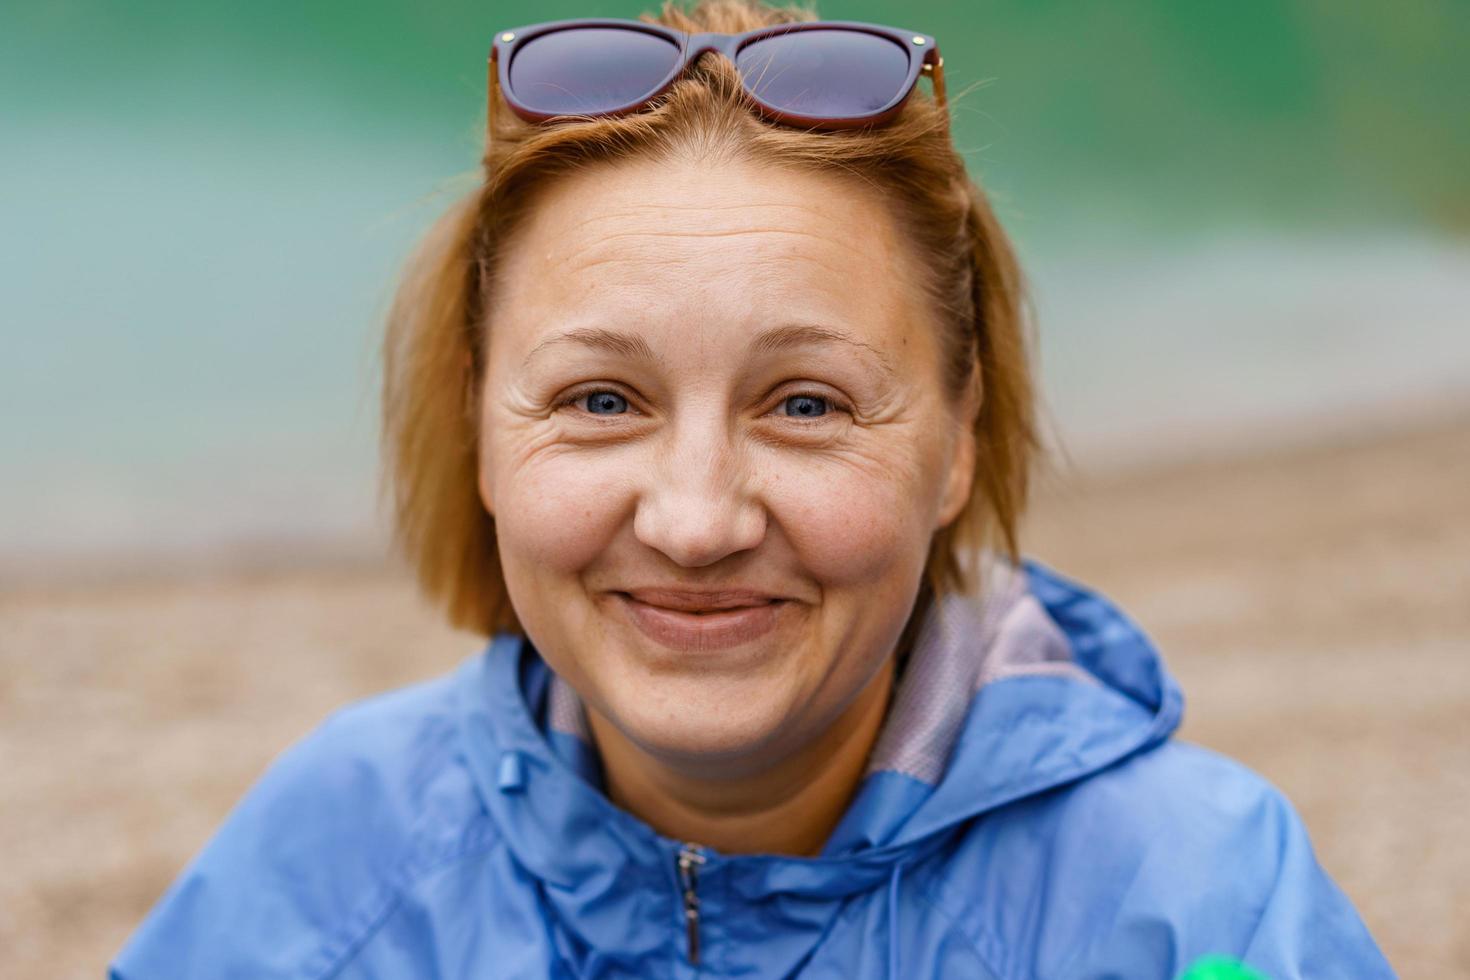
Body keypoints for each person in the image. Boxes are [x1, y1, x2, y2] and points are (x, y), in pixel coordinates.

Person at [111, 2, 1394, 976]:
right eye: (600, 400)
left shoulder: (1201, 904)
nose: (696, 518)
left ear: (956, 441)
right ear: (477, 425)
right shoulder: (331, 860)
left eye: (806, 404)